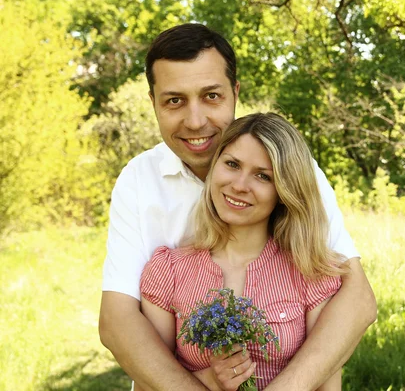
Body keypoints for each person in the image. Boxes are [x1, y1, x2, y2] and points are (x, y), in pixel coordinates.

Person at [99, 23, 377, 391]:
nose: (196, 120)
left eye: (211, 96)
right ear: (153, 103)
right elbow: (117, 321)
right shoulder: (138, 180)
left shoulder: (293, 167)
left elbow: (356, 299)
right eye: (174, 100)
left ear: (235, 91)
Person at [138, 113, 347, 391]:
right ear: (215, 167)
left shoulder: (311, 272)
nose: (239, 185)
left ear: (284, 190)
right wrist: (208, 380)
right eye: (232, 164)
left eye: (263, 176)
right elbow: (147, 385)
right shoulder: (168, 272)